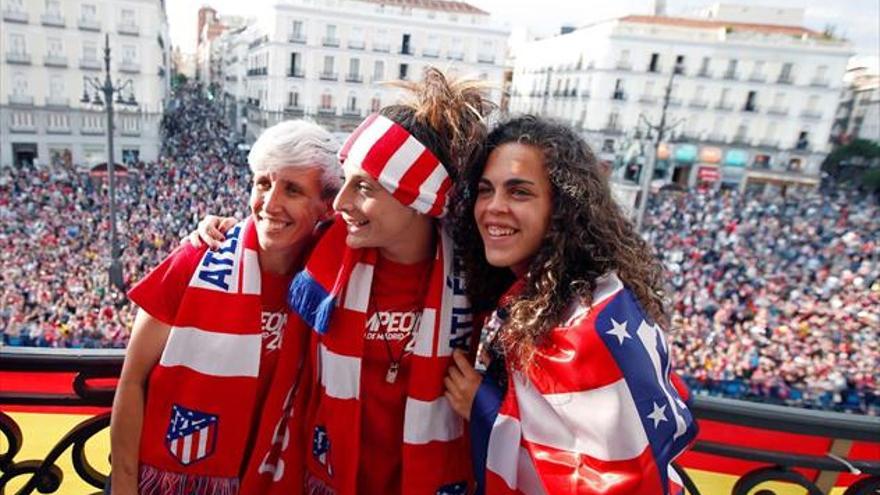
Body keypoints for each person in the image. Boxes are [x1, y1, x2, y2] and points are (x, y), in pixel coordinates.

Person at [195, 68, 493, 494]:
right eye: (344, 179)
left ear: (417, 198)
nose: (340, 201)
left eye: (364, 187)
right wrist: (220, 231)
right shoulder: (323, 253)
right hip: (325, 475)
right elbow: (266, 231)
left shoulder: (476, 278)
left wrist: (485, 404)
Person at [444, 115, 699, 494]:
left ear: (563, 208)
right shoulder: (550, 292)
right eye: (485, 190)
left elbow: (610, 482)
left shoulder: (585, 327)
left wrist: (484, 408)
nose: (493, 207)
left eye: (519, 192)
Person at [109, 120, 340, 495]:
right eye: (263, 183)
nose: (270, 203)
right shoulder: (198, 259)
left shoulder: (332, 282)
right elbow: (132, 379)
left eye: (293, 189)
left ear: (326, 206)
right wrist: (123, 484)